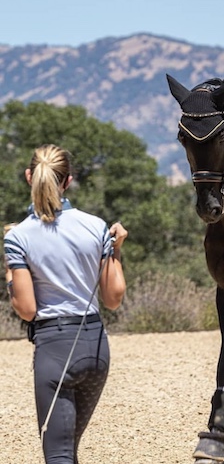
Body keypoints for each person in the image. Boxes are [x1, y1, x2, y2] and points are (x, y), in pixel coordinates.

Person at [3, 144, 128, 463]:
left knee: (58, 453)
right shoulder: (96, 226)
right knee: (68, 448)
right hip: (96, 349)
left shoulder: (19, 237)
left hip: (55, 350)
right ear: (68, 181)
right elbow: (113, 299)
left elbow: (26, 308)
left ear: (29, 176)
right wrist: (115, 250)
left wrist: (9, 273)